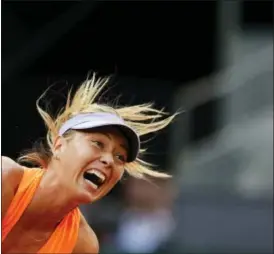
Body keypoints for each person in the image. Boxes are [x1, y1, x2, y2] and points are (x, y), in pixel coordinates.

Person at [1, 74, 178, 253]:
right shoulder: (5, 178)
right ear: (59, 145)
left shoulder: (82, 244)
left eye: (120, 157)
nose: (109, 160)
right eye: (98, 143)